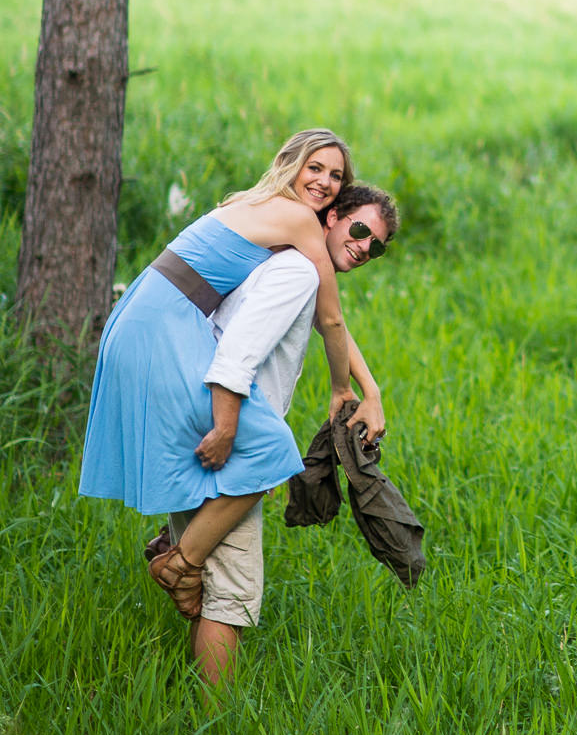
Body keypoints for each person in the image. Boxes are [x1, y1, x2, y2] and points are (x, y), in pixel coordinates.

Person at [79, 131, 387, 658]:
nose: (325, 182)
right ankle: (181, 561)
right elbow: (330, 316)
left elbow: (324, 316)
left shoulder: (265, 209)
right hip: (163, 322)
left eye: (336, 176)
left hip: (154, 313)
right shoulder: (298, 223)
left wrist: (370, 386)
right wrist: (343, 387)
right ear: (293, 165)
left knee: (258, 449)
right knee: (270, 451)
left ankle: (183, 552)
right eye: (316, 168)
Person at [172, 183, 398, 683]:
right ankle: (217, 733)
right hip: (226, 429)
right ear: (333, 216)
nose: (364, 248)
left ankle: (180, 569)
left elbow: (332, 322)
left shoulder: (294, 263)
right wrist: (234, 435)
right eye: (360, 231)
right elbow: (236, 356)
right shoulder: (296, 271)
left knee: (211, 582)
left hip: (206, 418)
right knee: (230, 598)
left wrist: (366, 388)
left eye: (376, 246)